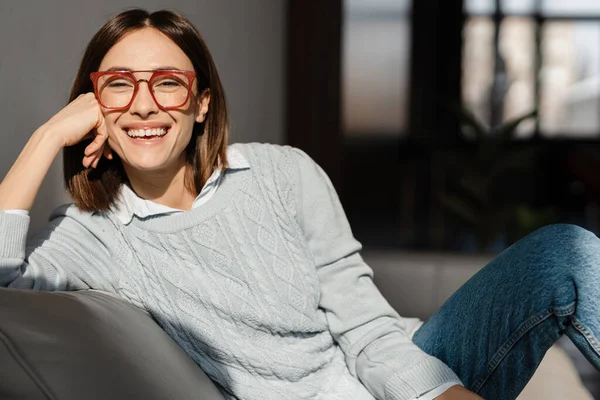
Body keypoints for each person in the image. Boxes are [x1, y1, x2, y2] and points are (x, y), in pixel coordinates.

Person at [0, 8, 598, 400]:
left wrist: (444, 395)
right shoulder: (93, 235)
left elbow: (366, 329)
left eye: (168, 82)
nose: (143, 104)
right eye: (119, 84)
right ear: (94, 102)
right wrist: (46, 136)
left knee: (565, 253)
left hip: (404, 370)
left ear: (201, 104)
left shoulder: (283, 173)